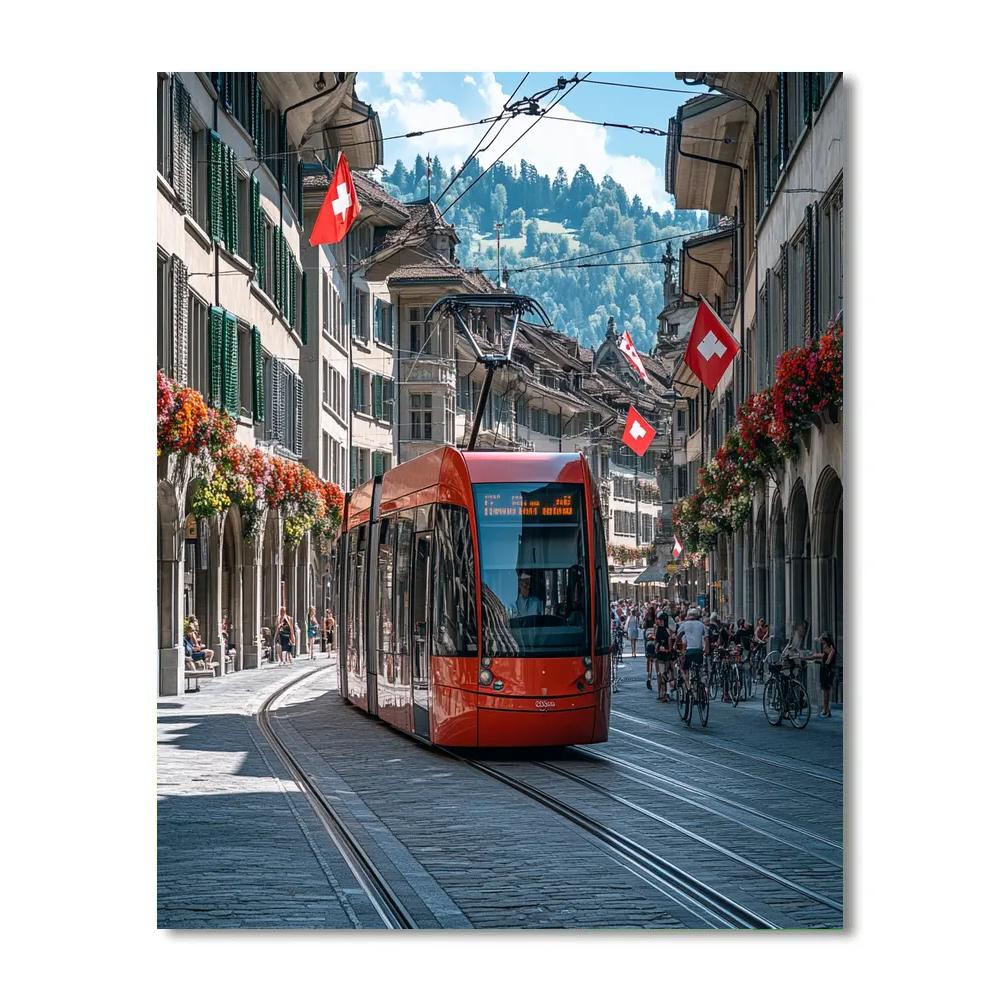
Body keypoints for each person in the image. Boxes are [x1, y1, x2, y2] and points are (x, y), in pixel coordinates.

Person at [675, 605, 706, 693]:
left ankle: (688, 688)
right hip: (699, 651)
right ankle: (700, 683)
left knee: (685, 668)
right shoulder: (701, 625)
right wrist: (706, 649)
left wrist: (675, 645)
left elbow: (679, 636)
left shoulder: (684, 624)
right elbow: (707, 638)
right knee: (699, 667)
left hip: (689, 651)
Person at [809, 632, 838, 717]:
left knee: (826, 692)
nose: (820, 639)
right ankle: (826, 709)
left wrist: (825, 661)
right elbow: (824, 658)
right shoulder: (825, 647)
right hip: (825, 670)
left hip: (827, 671)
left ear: (825, 640)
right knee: (825, 692)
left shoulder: (830, 648)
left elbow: (828, 659)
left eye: (822, 638)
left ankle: (826, 710)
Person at [654, 611, 674, 701]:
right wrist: (668, 649)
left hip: (662, 654)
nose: (660, 621)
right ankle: (665, 693)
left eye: (661, 620)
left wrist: (658, 648)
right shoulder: (665, 629)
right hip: (664, 654)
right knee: (664, 673)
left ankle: (663, 693)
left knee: (663, 673)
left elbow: (657, 641)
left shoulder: (659, 629)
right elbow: (668, 639)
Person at [644, 620, 657, 690]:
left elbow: (646, 639)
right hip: (655, 646)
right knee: (657, 663)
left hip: (648, 646)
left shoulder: (646, 630)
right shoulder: (655, 628)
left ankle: (649, 677)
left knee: (650, 663)